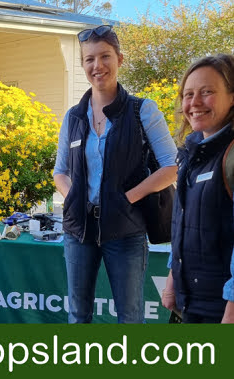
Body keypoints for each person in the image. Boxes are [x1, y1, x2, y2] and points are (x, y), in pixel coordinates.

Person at [53, 25, 178, 323]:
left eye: (105, 56)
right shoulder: (73, 116)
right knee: (77, 315)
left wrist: (127, 198)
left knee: (129, 317)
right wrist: (74, 199)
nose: (98, 66)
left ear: (120, 59)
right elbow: (60, 172)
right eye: (89, 59)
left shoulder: (142, 111)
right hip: (78, 230)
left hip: (125, 229)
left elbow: (172, 166)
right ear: (83, 64)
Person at [161, 54, 234, 324]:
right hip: (191, 302)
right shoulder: (191, 154)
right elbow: (184, 226)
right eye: (188, 94)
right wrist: (172, 282)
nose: (195, 103)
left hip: (221, 310)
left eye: (208, 92)